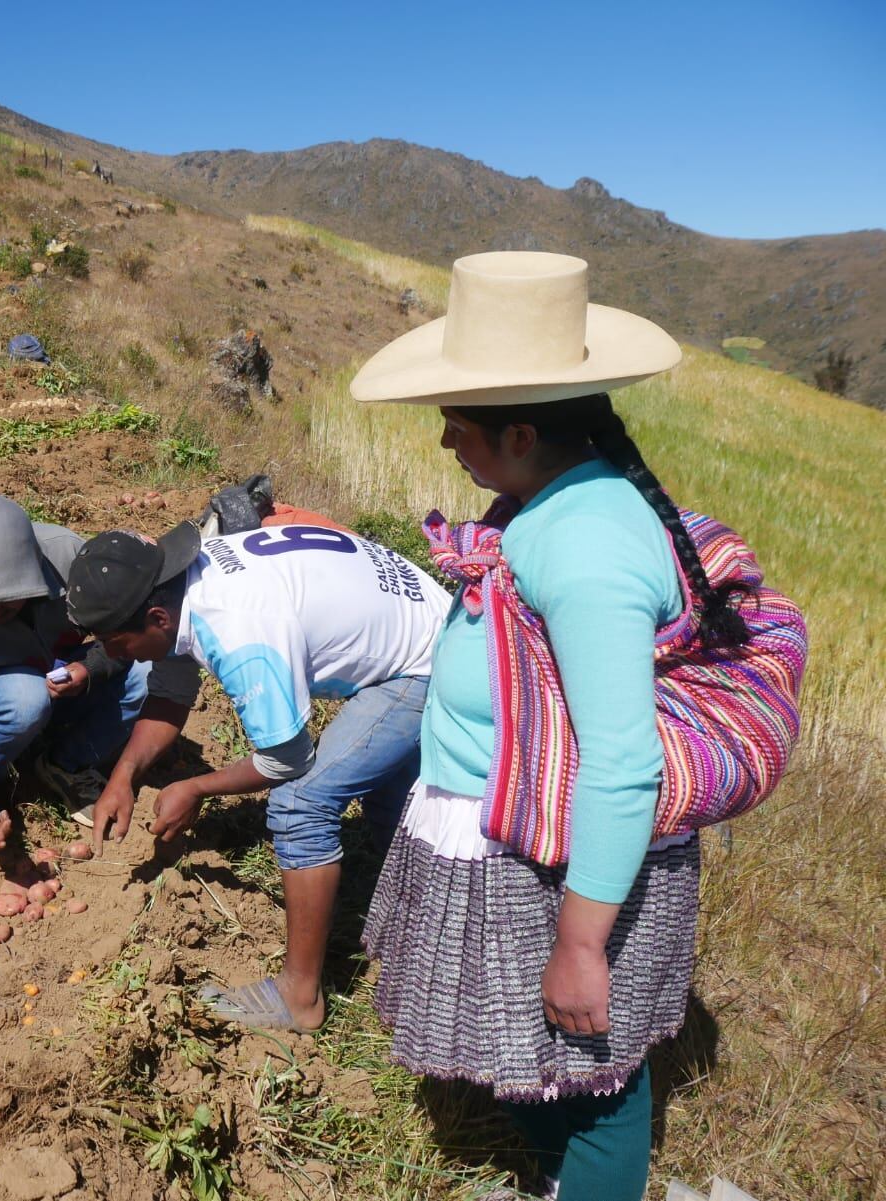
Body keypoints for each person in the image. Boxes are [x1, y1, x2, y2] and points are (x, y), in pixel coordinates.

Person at [350, 251, 701, 1201]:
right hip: (508, 843)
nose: (443, 444)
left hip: (558, 867)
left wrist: (584, 941)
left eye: (454, 425)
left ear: (517, 432)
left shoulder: (584, 541)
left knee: (592, 1083)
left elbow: (624, 761)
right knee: (537, 1059)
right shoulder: (544, 506)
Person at [66, 518, 449, 1032]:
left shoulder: (237, 627)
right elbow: (172, 693)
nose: (113, 656)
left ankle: (299, 998)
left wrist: (196, 786)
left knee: (300, 804)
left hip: (427, 663)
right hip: (424, 621)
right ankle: (426, 934)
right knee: (391, 802)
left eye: (116, 643)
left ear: (155, 616)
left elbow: (288, 760)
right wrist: (124, 776)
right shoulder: (187, 586)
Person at [0, 492, 150, 853]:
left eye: (5, 600)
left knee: (144, 668)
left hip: (62, 674)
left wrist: (91, 667)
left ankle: (66, 763)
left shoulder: (71, 560)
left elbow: (130, 634)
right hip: (3, 699)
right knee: (24, 699)